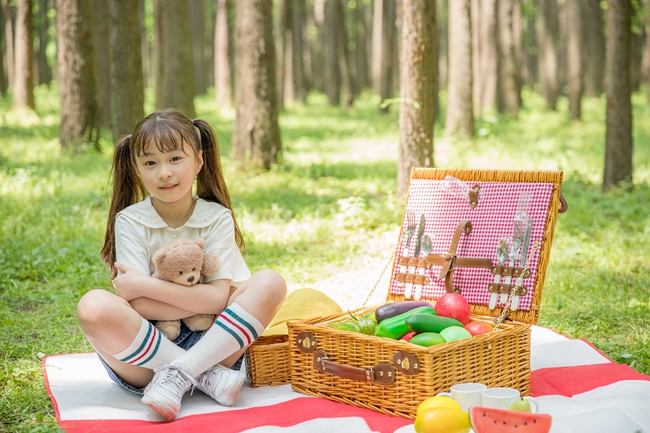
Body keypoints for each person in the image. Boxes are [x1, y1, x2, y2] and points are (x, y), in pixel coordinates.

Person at [76, 109, 287, 421]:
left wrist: (144, 286)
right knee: (92, 305)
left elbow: (215, 300)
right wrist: (192, 300)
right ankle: (206, 376)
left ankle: (184, 371)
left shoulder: (215, 217)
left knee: (271, 281)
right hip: (147, 356)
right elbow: (142, 310)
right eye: (150, 163)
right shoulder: (131, 221)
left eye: (175, 159)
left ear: (199, 162)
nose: (164, 172)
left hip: (216, 341)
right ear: (136, 169)